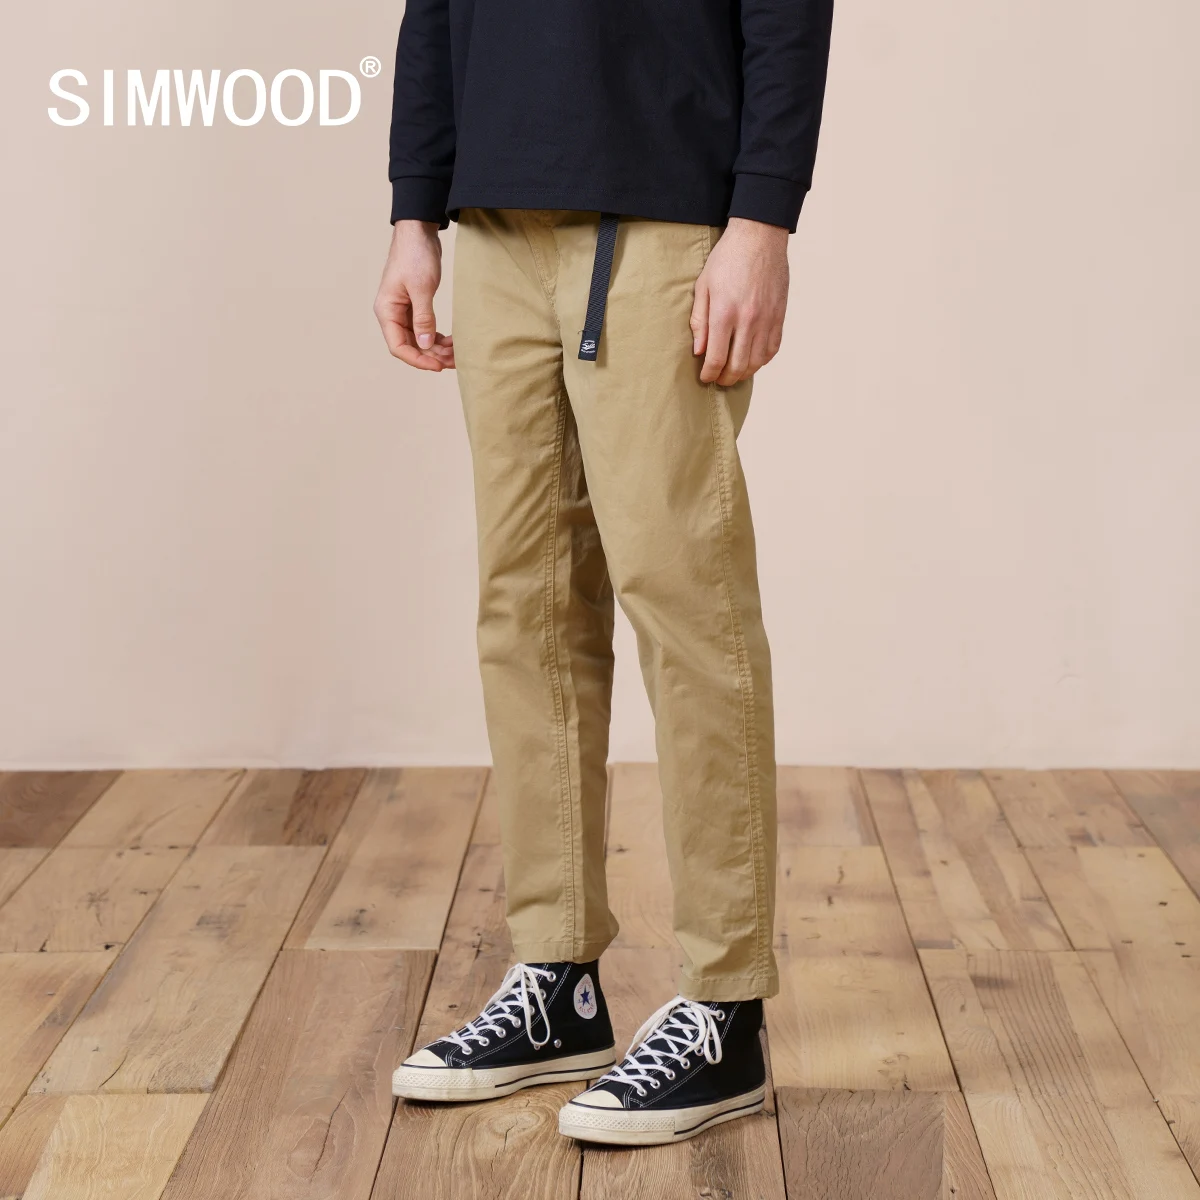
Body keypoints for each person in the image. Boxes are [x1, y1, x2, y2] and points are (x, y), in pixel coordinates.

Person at [376, 0, 833, 1147]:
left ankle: (725, 1009)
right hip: (494, 224)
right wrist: (414, 210)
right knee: (523, 610)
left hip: (662, 219)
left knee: (687, 607)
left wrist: (762, 219)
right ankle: (557, 980)